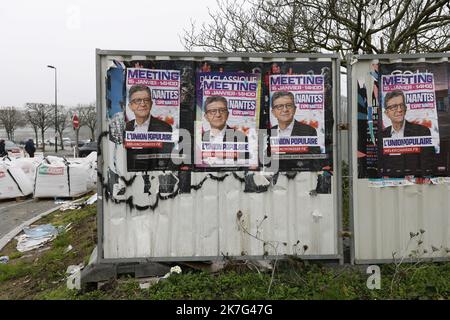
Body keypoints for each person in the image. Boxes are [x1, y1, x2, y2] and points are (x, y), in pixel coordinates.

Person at [379, 89, 435, 176]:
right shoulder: (382, 136)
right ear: (387, 113)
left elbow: (428, 167)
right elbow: (381, 167)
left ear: (405, 108)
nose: (399, 110)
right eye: (394, 107)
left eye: (401, 105)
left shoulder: (422, 132)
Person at [202, 96, 248, 161]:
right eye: (213, 111)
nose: (218, 115)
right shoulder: (200, 139)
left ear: (227, 114)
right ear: (206, 117)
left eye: (222, 110)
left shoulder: (241, 138)